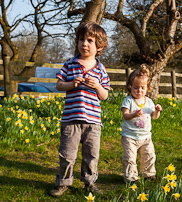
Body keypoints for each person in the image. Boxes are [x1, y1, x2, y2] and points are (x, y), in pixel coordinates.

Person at [49, 21, 110, 197]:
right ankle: (62, 183)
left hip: (93, 122)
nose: (85, 44)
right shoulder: (70, 63)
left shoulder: (100, 69)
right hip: (71, 119)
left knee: (91, 155)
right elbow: (59, 85)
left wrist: (97, 86)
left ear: (99, 46)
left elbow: (104, 95)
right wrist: (72, 83)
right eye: (82, 39)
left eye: (90, 40)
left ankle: (90, 183)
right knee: (67, 155)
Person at [120, 65, 162, 183]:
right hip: (130, 137)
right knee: (130, 158)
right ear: (130, 87)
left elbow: (154, 117)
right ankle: (131, 177)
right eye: (136, 88)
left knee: (149, 155)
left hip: (145, 137)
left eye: (142, 88)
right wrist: (134, 115)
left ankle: (148, 174)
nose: (139, 91)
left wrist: (157, 111)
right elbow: (125, 115)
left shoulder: (148, 101)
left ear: (147, 88)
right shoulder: (128, 101)